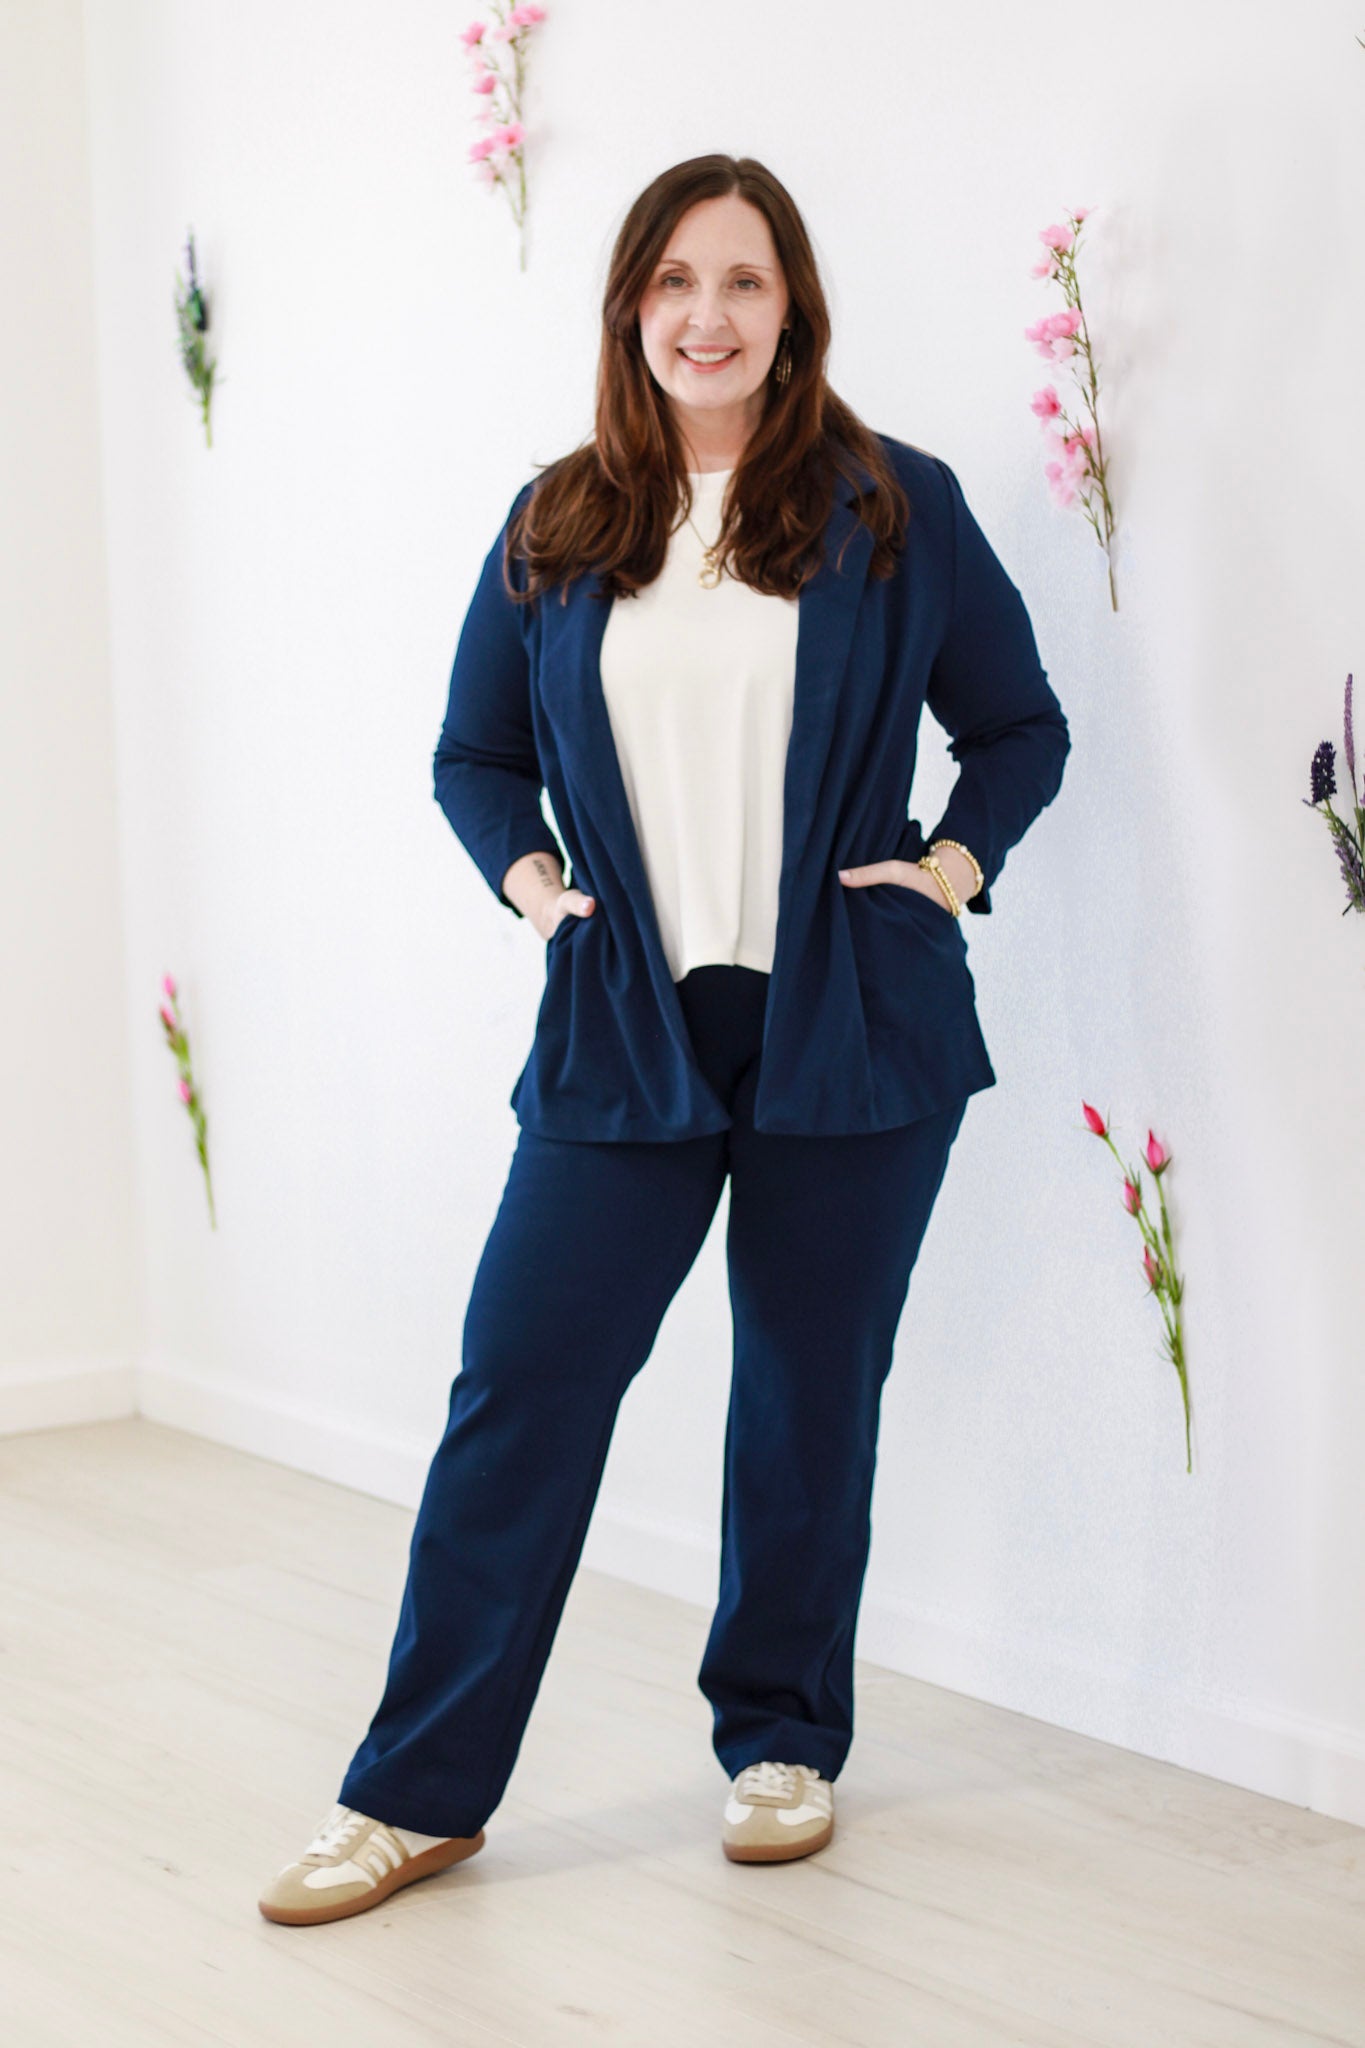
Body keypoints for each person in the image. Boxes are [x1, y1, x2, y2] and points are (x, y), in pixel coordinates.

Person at [258, 153, 1070, 1927]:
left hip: (850, 1024)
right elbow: (475, 755)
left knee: (803, 1395)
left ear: (792, 311)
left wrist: (947, 869)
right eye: (676, 281)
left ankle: (779, 1743)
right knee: (522, 1388)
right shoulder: (557, 521)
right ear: (632, 305)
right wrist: (534, 886)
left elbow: (1019, 725)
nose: (710, 314)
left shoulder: (891, 505)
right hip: (626, 1017)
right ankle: (410, 1796)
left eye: (745, 281)